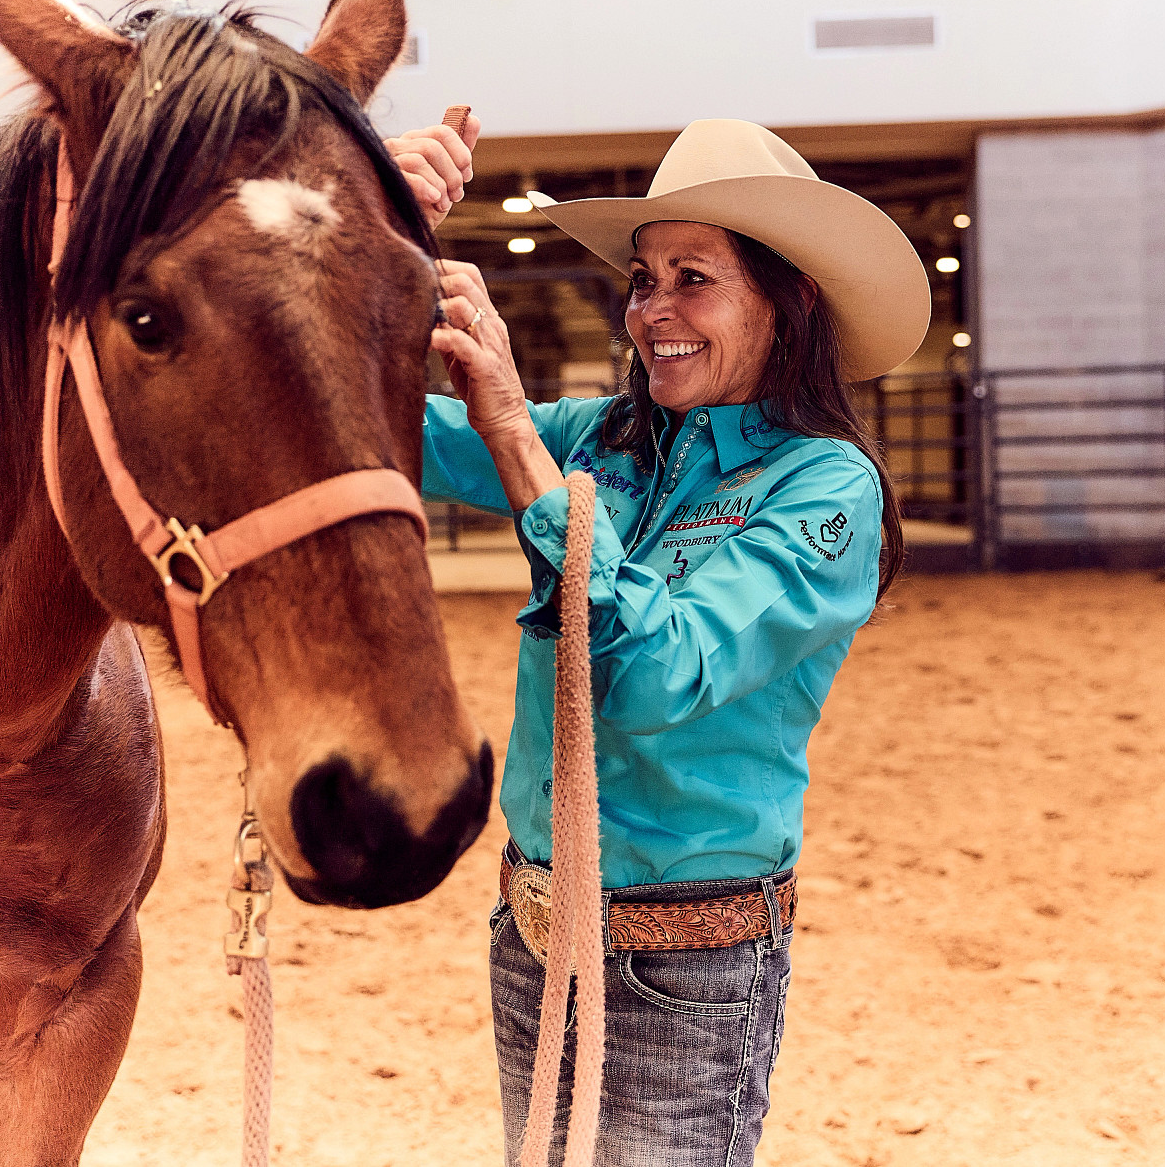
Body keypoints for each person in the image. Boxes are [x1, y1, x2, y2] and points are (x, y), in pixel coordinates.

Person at [390, 116, 929, 1166]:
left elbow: (653, 671)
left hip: (687, 968)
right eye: (644, 278)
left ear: (788, 300)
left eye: (694, 277)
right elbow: (381, 428)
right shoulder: (597, 440)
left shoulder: (824, 488)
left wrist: (509, 429)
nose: (654, 311)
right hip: (533, 934)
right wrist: (379, 231)